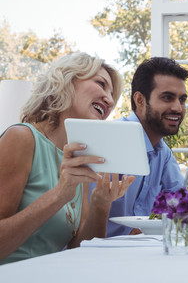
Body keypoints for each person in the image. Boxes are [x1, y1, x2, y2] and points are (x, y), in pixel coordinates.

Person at [0, 53, 134, 264]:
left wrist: (101, 203)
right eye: (101, 84)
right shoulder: (21, 138)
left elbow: (79, 250)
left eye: (112, 95)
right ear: (66, 81)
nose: (109, 100)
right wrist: (59, 195)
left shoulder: (76, 159)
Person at [104, 57, 188, 236]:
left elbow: (184, 204)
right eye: (167, 97)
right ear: (140, 100)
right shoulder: (111, 140)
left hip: (140, 253)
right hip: (98, 254)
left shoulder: (162, 152)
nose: (178, 108)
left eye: (182, 100)